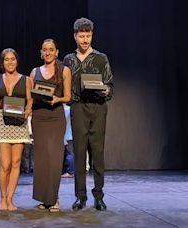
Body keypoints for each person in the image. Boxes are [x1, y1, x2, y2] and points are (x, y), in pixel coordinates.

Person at [63, 17, 114, 211]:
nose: (85, 40)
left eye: (88, 35)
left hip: (98, 107)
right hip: (78, 107)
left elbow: (110, 84)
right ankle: (80, 196)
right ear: (75, 36)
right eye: (82, 36)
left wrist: (105, 90)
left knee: (98, 153)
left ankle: (99, 195)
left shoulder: (101, 58)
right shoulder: (69, 59)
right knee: (79, 152)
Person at [30, 39, 72, 212]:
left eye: (51, 50)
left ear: (57, 52)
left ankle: (54, 198)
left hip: (56, 117)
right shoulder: (34, 72)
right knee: (41, 160)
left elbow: (68, 97)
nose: (48, 53)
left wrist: (57, 99)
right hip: (39, 117)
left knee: (54, 159)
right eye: (45, 50)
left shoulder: (64, 71)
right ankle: (43, 198)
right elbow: (30, 97)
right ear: (41, 52)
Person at [0, 48, 32, 211]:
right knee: (5, 164)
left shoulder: (26, 79)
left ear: (17, 61)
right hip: (2, 122)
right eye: (6, 59)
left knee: (16, 163)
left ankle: (10, 199)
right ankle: (2, 198)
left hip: (19, 123)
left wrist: (28, 111)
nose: (10, 62)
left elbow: (30, 100)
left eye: (13, 59)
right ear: (2, 62)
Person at [61, 104, 75, 178]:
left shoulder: (64, 110)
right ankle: (69, 170)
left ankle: (71, 171)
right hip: (70, 134)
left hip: (67, 134)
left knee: (69, 154)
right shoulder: (70, 109)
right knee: (69, 153)